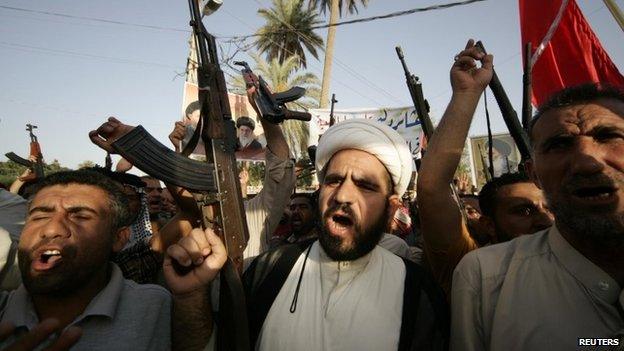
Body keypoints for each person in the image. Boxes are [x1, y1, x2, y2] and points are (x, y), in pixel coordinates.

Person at [171, 118, 449, 350]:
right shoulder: (270, 269)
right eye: (334, 180)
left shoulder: (418, 294)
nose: (343, 195)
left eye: (365, 186)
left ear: (391, 210)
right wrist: (190, 298)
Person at [451, 83, 624, 350]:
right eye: (560, 144)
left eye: (609, 136)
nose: (587, 163)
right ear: (534, 174)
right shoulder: (486, 277)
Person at [416, 40, 552, 297]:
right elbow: (432, 187)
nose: (545, 220)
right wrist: (466, 95)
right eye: (523, 211)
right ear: (490, 225)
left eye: (550, 207)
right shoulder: (475, 271)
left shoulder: (592, 262)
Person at [0, 170, 171, 350]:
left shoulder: (158, 308)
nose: (51, 229)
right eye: (40, 216)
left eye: (80, 216)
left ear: (119, 238)